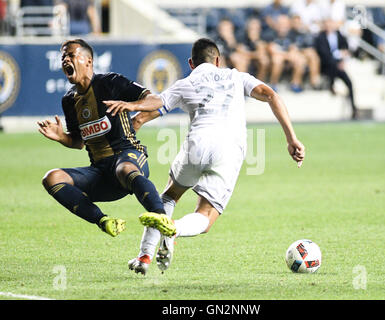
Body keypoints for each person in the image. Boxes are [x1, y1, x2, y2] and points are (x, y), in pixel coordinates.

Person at [104, 38, 305, 274]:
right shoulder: (236, 76)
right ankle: (174, 228)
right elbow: (271, 95)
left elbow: (156, 103)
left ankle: (144, 257)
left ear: (191, 63)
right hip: (229, 150)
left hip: (196, 144)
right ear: (218, 60)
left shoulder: (186, 83)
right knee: (206, 215)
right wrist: (291, 138)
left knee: (168, 196)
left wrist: (132, 106)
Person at [38, 39, 166, 240]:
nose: (65, 60)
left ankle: (161, 216)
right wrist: (62, 137)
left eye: (70, 55)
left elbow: (155, 100)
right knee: (52, 178)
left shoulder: (111, 82)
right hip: (101, 173)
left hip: (129, 157)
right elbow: (79, 142)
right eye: (62, 56)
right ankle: (103, 221)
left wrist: (132, 107)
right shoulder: (69, 100)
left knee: (123, 168)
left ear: (88, 60)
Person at [315, 18, 358, 120]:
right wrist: (338, 55)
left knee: (349, 83)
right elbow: (324, 54)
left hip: (338, 66)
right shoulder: (320, 37)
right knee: (332, 68)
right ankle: (331, 85)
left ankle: (354, 108)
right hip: (327, 66)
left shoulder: (339, 35)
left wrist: (342, 60)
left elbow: (346, 48)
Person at [267, 15, 307, 92]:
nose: (283, 26)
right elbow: (271, 50)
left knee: (301, 59)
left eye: (284, 24)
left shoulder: (293, 34)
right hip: (275, 57)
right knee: (277, 59)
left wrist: (287, 54)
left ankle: (295, 83)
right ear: (276, 24)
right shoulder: (271, 34)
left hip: (287, 56)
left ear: (288, 24)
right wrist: (286, 54)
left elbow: (294, 49)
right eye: (280, 24)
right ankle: (273, 84)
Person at [240, 16, 270, 81]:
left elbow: (261, 53)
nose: (254, 30)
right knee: (242, 60)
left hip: (256, 60)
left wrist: (255, 41)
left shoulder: (263, 37)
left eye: (256, 28)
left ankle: (259, 83)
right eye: (252, 28)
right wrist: (253, 55)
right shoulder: (242, 36)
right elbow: (241, 52)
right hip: (245, 59)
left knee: (264, 61)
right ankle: (243, 83)